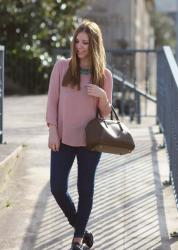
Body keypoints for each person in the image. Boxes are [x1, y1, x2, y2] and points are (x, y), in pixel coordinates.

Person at [46, 19, 113, 250]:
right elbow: (52, 102)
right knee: (57, 188)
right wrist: (52, 130)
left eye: (85, 42)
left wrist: (103, 97)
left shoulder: (104, 75)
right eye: (77, 41)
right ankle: (82, 229)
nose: (79, 46)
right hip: (63, 139)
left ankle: (76, 242)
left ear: (95, 45)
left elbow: (105, 115)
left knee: (85, 190)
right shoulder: (62, 67)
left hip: (91, 142)